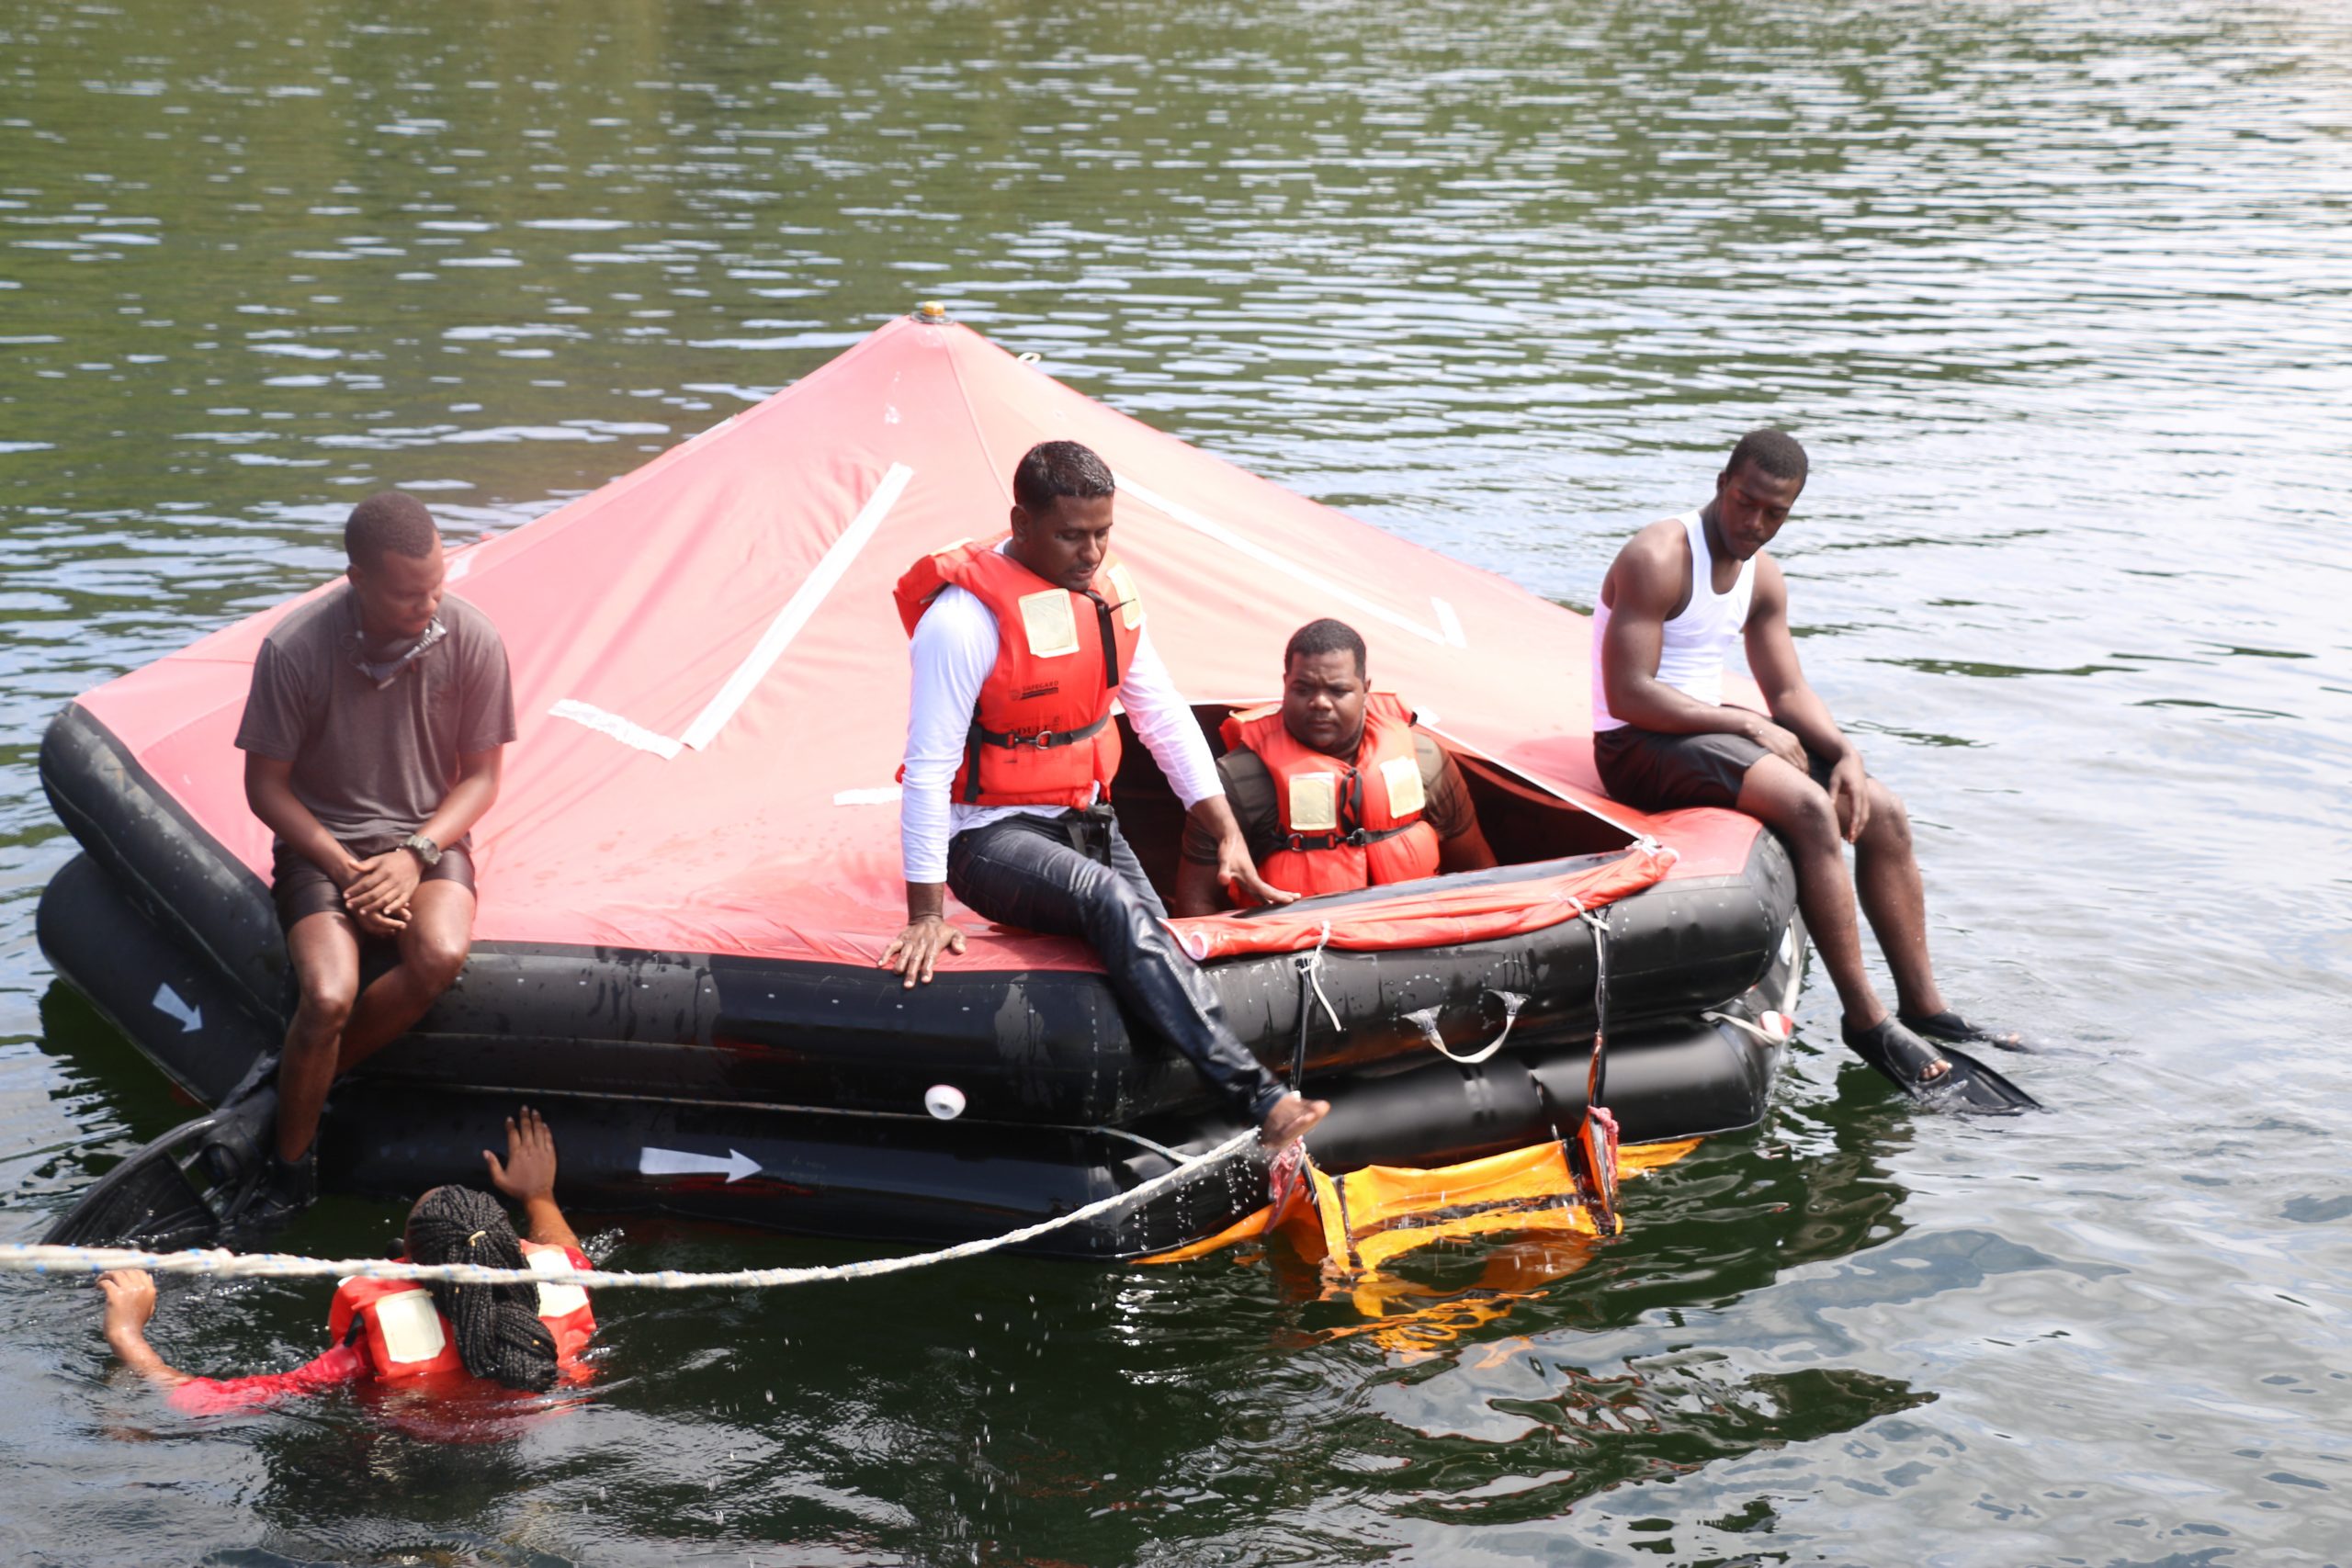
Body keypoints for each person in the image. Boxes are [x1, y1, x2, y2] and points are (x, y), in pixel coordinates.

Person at [882, 440, 1328, 1148]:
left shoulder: (1105, 595)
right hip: (988, 837)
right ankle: (1263, 1099)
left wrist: (1228, 834)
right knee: (1110, 902)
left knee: (1158, 952)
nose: (1090, 552)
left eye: (1102, 532)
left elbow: (1162, 716)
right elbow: (929, 768)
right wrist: (926, 914)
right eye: (1070, 535)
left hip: (1082, 819)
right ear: (1021, 524)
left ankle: (1195, 1128)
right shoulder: (961, 622)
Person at [1590, 429, 2030, 1108]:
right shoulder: (1658, 555)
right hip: (1634, 746)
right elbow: (1629, 693)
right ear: (1721, 484)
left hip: (1703, 728)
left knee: (1880, 807)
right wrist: (1745, 721)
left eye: (1776, 514)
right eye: (1746, 503)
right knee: (1807, 806)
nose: (1755, 523)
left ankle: (1925, 1007)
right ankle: (1866, 1020)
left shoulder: (1761, 574)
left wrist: (1848, 752)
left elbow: (1788, 692)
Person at [232, 491, 516, 1221]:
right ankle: (289, 1166)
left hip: (428, 837)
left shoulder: (474, 638)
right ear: (355, 579)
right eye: (406, 595)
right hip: (324, 847)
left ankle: (290, 1090)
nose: (428, 606)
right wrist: (342, 865)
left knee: (440, 953)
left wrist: (416, 852)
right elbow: (265, 787)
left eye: (436, 587)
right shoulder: (294, 649)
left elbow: (481, 778)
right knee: (326, 994)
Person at [97, 1107, 595, 1414]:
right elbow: (565, 1249)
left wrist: (128, 1335)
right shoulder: (559, 1287)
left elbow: (207, 1403)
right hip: (539, 1432)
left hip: (408, 1468)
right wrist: (539, 1195)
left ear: (407, 1268)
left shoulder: (367, 1356)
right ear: (514, 1255)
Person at [1170, 618, 1498, 915]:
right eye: (1303, 689)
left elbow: (1479, 871)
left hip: (1413, 942)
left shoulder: (1425, 760)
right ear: (1285, 684)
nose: (1320, 703)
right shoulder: (1236, 779)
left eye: (1338, 690)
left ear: (1366, 689)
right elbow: (1195, 902)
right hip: (1295, 957)